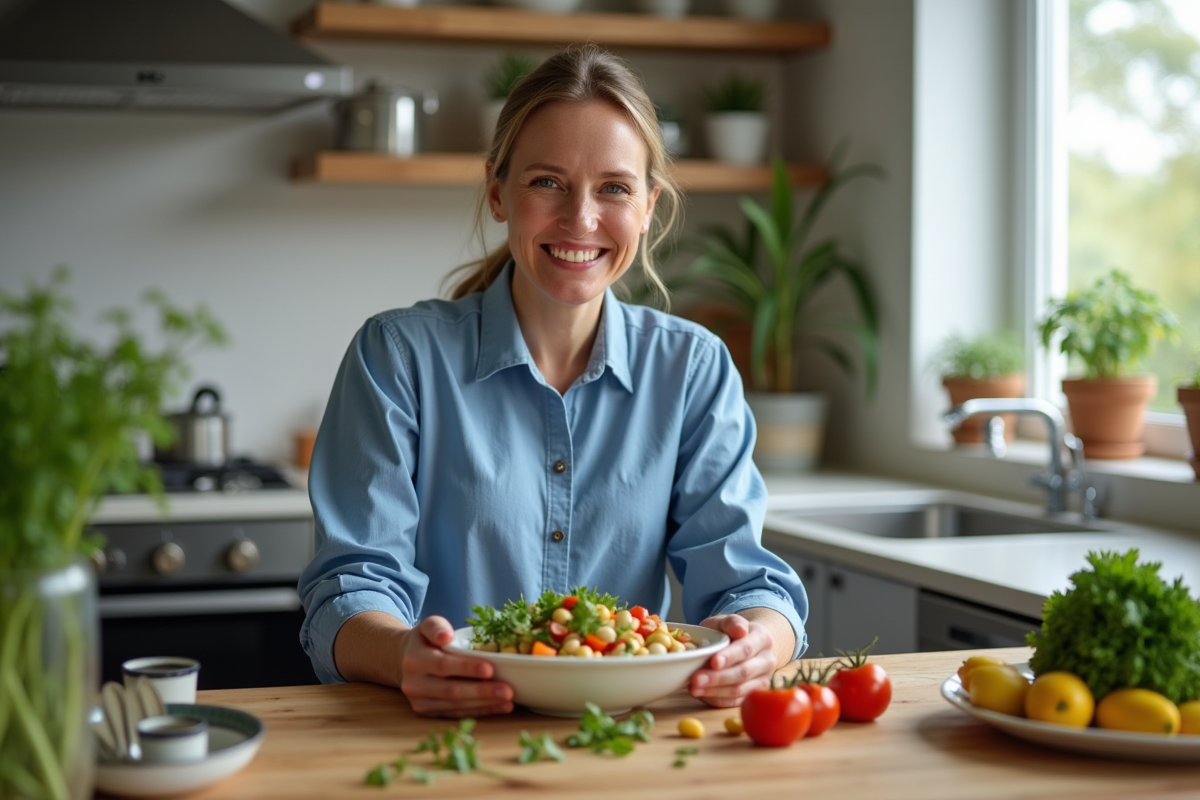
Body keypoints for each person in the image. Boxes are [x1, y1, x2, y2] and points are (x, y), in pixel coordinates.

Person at [298, 43, 808, 718]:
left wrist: (758, 646)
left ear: (649, 205)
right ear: (497, 191)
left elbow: (746, 582)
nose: (581, 219)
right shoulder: (396, 356)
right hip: (437, 736)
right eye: (547, 182)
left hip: (625, 744)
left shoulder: (693, 369)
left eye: (615, 188)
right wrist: (404, 656)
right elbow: (349, 588)